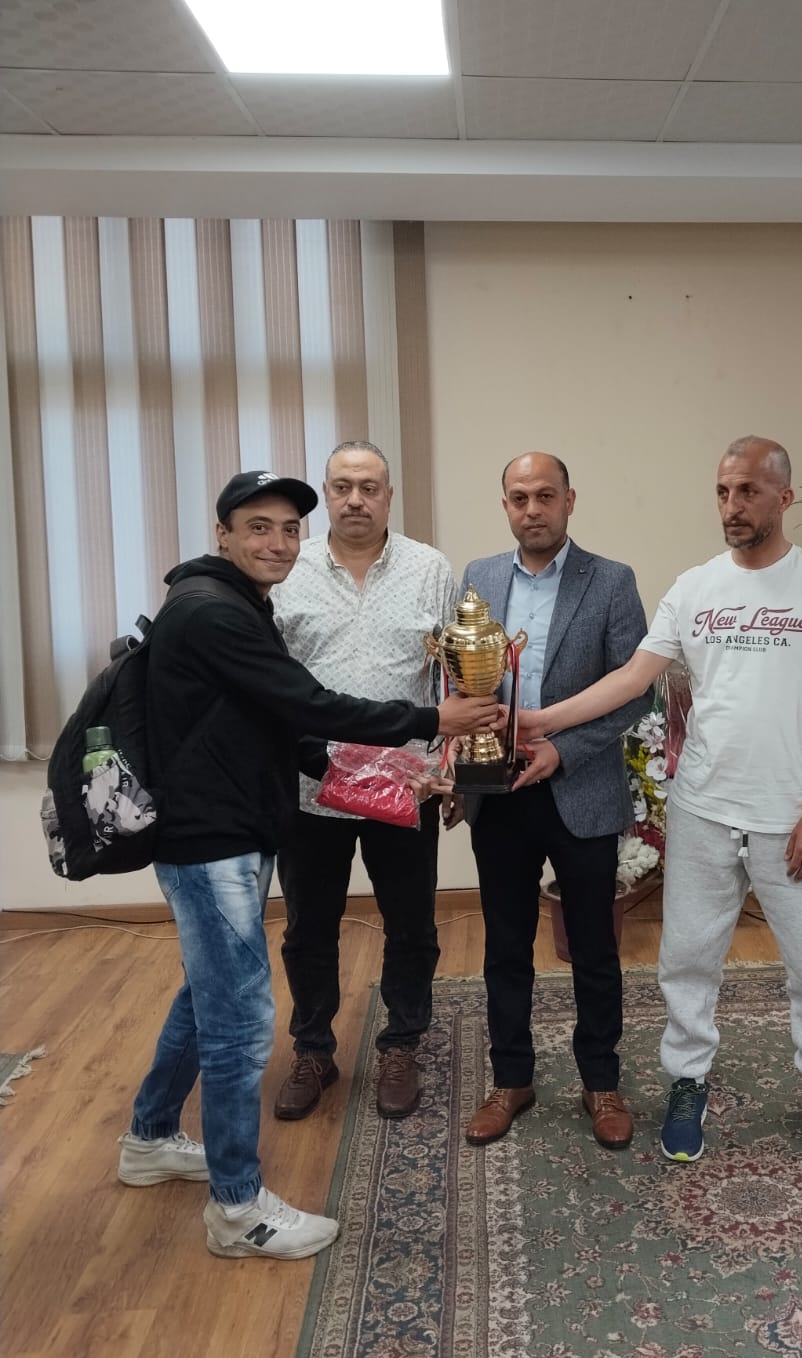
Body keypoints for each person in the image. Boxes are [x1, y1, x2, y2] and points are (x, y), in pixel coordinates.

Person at [118, 471, 497, 1260]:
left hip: (246, 817)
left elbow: (282, 726)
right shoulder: (215, 611)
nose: (277, 543)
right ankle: (235, 1209)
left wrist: (400, 766)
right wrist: (434, 719)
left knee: (204, 991)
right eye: (259, 528)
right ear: (222, 533)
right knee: (240, 1023)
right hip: (213, 835)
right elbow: (311, 703)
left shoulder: (239, 601)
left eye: (289, 529)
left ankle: (150, 1138)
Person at [518, 437, 802, 1170]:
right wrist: (546, 720)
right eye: (722, 491)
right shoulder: (696, 586)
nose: (732, 507)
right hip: (704, 807)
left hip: (791, 813)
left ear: (783, 498)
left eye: (747, 492)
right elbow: (634, 676)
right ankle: (687, 1079)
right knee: (687, 957)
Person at [458, 452, 651, 1150]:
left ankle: (601, 1080)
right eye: (518, 498)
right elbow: (462, 684)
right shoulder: (477, 579)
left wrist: (563, 750)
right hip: (501, 794)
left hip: (581, 789)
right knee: (505, 946)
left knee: (594, 948)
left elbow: (638, 691)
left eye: (545, 496)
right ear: (505, 506)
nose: (531, 509)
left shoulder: (612, 581)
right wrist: (458, 761)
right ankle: (511, 1079)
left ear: (570, 500)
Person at [270, 442, 458, 1123]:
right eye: (343, 486)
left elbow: (453, 678)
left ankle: (401, 1042)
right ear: (326, 493)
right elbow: (267, 681)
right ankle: (314, 1050)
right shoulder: (288, 569)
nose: (356, 499)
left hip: (402, 786)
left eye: (369, 486)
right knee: (307, 928)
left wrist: (452, 764)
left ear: (389, 495)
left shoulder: (430, 568)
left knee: (411, 926)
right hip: (308, 788)